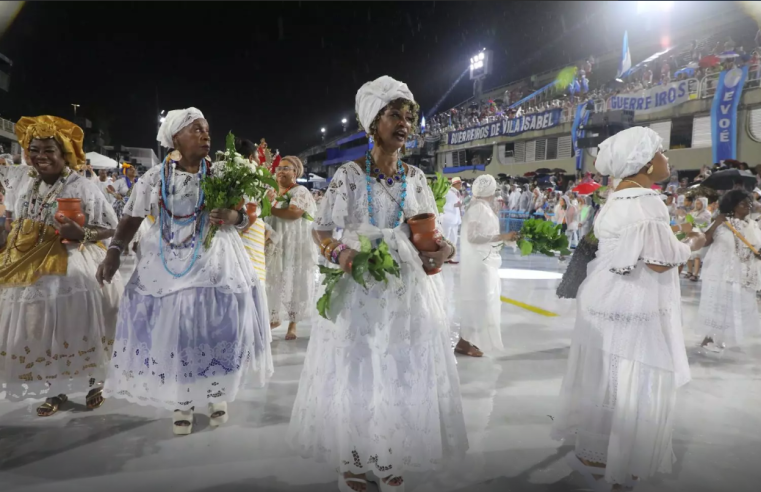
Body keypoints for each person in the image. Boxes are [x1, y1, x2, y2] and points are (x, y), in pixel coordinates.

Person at [287, 76, 468, 492]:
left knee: (399, 364)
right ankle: (353, 458)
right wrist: (340, 254)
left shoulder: (417, 178)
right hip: (359, 288)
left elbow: (430, 231)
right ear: (373, 123)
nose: (404, 123)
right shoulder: (349, 176)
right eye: (394, 115)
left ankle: (388, 454)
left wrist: (442, 250)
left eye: (408, 116)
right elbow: (322, 230)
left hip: (405, 291)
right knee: (358, 366)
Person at [96, 108, 272, 435]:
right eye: (196, 130)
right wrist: (115, 251)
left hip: (217, 261)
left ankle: (217, 391)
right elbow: (131, 218)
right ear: (175, 138)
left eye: (207, 129)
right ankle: (183, 400)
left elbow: (250, 213)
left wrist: (234, 218)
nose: (206, 135)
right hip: (165, 261)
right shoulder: (154, 178)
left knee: (217, 328)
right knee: (177, 331)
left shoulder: (223, 173)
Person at [551, 127, 691, 491]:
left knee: (606, 381)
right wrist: (694, 243)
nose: (667, 159)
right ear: (645, 162)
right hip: (632, 305)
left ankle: (595, 455)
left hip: (602, 302)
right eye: (661, 152)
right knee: (632, 383)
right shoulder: (648, 200)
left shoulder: (616, 197)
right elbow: (661, 262)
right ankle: (621, 464)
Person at [0, 115, 123, 416]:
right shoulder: (23, 183)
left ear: (64, 154)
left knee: (78, 322)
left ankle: (95, 380)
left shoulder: (83, 187)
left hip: (74, 261)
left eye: (48, 150)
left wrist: (82, 234)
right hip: (30, 262)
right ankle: (57, 388)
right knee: (39, 327)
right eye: (35, 149)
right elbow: (14, 220)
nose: (40, 157)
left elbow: (112, 226)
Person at [458, 174, 517, 357]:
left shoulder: (482, 207)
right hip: (480, 264)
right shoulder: (478, 208)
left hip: (486, 261)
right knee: (479, 302)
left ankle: (465, 341)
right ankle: (466, 342)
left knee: (482, 302)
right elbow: (473, 237)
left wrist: (507, 239)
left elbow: (487, 234)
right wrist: (501, 237)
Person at [697, 190, 761, 351]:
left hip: (739, 273)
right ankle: (708, 338)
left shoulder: (752, 224)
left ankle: (721, 338)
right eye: (743, 203)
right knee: (717, 304)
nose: (748, 206)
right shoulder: (722, 222)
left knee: (731, 306)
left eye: (749, 203)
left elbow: (755, 246)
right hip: (719, 272)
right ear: (732, 205)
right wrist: (716, 223)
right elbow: (704, 242)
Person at [263, 155, 317, 340]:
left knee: (294, 279)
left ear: (295, 172)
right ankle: (274, 318)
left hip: (295, 244)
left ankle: (293, 325)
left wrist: (269, 208)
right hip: (278, 242)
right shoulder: (272, 191)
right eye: (279, 168)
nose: (281, 171)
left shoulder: (300, 191)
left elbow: (294, 213)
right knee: (274, 278)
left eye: (286, 168)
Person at [442, 177, 463, 264]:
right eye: (459, 183)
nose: (460, 185)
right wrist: (456, 205)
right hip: (447, 218)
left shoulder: (456, 193)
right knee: (446, 237)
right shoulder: (448, 192)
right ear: (454, 184)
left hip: (454, 219)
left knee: (453, 239)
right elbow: (446, 205)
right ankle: (443, 257)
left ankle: (449, 257)